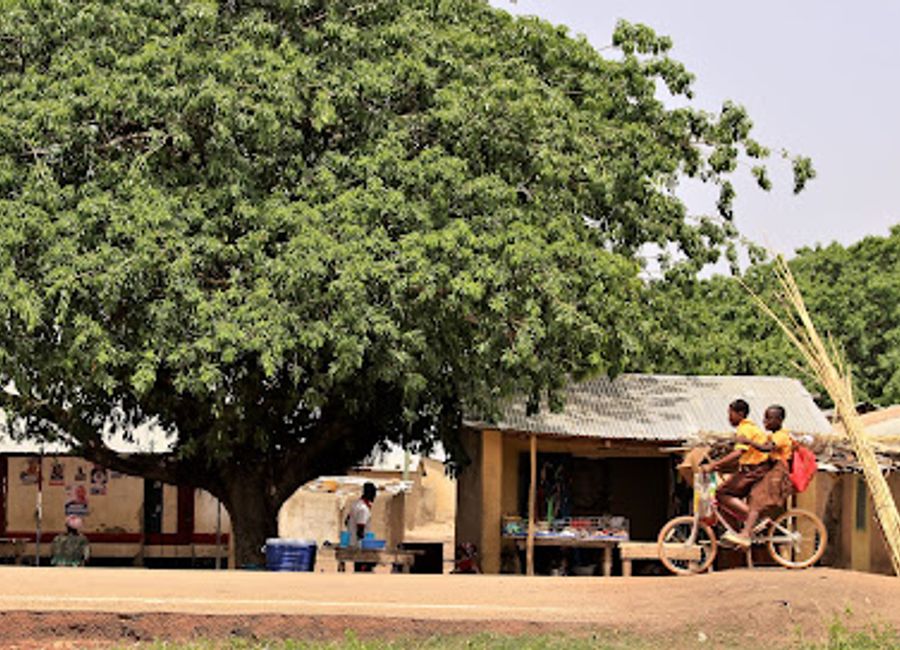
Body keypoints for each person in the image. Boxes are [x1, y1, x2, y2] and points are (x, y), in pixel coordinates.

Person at [701, 399, 772, 547]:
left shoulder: (744, 428)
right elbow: (741, 458)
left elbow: (738, 453)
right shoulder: (748, 428)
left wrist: (714, 464)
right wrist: (720, 467)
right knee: (726, 496)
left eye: (731, 414)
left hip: (755, 470)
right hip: (752, 469)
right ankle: (743, 529)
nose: (729, 418)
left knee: (721, 493)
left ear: (740, 414)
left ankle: (756, 521)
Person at [345, 482, 377, 572]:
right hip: (360, 545)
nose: (374, 496)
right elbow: (360, 529)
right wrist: (366, 543)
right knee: (363, 568)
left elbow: (346, 521)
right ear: (369, 494)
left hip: (352, 541)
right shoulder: (363, 509)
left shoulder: (355, 504)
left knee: (358, 568)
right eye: (373, 494)